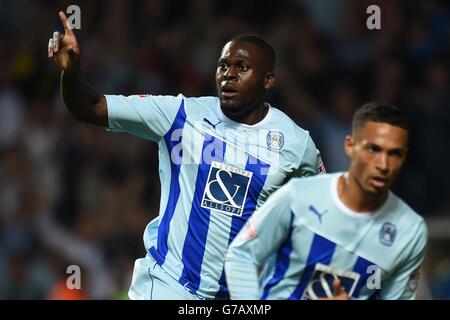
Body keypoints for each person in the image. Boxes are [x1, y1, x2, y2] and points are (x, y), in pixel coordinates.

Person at [48, 11, 325, 299]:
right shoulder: (180, 115)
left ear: (268, 80)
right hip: (168, 286)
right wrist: (72, 72)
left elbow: (321, 211)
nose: (229, 74)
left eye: (241, 67)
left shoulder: (295, 143)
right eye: (223, 66)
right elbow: (89, 107)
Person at [225, 103, 428, 300]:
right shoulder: (299, 196)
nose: (383, 164)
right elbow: (242, 255)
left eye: (394, 154)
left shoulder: (410, 231)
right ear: (350, 146)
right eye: (373, 149)